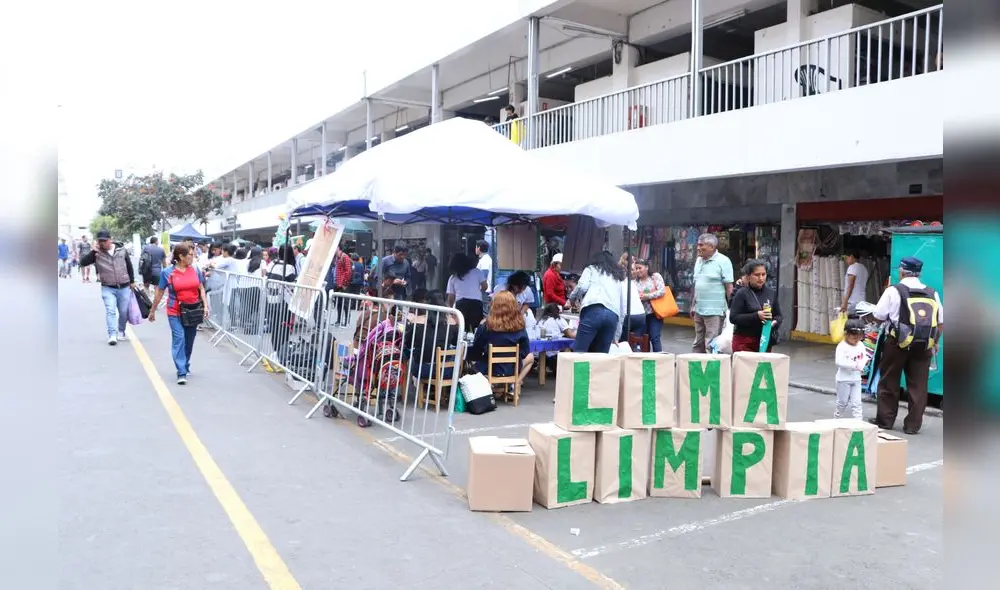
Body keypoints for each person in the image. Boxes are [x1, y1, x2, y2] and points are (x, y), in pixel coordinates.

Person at [870, 256, 943, 435]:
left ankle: (885, 421)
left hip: (896, 343)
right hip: (924, 345)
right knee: (918, 385)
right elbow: (941, 322)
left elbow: (879, 315)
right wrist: (935, 342)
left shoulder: (894, 290)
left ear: (902, 271)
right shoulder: (932, 292)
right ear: (919, 272)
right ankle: (913, 425)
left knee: (889, 380)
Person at [148, 244, 210, 384]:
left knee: (189, 340)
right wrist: (153, 310)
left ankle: (185, 364)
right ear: (181, 256)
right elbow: (160, 292)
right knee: (179, 338)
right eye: (190, 255)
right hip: (174, 311)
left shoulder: (195, 270)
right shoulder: (168, 273)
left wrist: (205, 306)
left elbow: (201, 289)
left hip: (192, 311)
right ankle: (181, 371)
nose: (192, 257)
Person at [78, 230, 136, 345]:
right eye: (100, 241)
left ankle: (121, 330)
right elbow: (82, 262)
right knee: (110, 310)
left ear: (110, 239)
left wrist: (132, 281)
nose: (103, 243)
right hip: (108, 287)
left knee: (123, 312)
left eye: (105, 240)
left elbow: (129, 266)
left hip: (124, 286)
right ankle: (112, 335)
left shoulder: (121, 250)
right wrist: (93, 252)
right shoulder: (96, 253)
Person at [468, 290, 535, 387]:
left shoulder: (486, 326)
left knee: (472, 361)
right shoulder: (520, 327)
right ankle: (515, 385)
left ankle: (492, 385)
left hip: (490, 368)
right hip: (512, 369)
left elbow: (477, 349)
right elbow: (525, 351)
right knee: (531, 357)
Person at [568, 250, 626, 354]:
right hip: (612, 316)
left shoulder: (591, 269)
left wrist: (572, 299)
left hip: (593, 310)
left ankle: (580, 371)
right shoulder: (617, 277)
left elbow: (582, 286)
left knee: (579, 352)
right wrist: (617, 335)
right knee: (602, 355)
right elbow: (622, 309)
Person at [690, 233, 734, 353]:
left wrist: (732, 309)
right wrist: (693, 305)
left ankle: (711, 370)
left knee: (711, 344)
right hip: (699, 310)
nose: (698, 248)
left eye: (701, 245)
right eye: (697, 245)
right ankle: (695, 368)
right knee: (698, 343)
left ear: (712, 247)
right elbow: (697, 284)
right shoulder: (699, 260)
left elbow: (729, 287)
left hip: (715, 311)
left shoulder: (724, 261)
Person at [728, 259, 783, 353]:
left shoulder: (771, 293)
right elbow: (733, 318)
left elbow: (778, 315)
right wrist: (757, 316)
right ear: (748, 276)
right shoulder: (742, 293)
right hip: (744, 342)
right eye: (757, 275)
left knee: (762, 367)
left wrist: (775, 322)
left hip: (765, 341)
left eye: (763, 274)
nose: (761, 278)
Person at [407, 291, 459, 386]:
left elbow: (408, 343)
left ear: (426, 303)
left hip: (423, 369)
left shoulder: (417, 321)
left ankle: (416, 386)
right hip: (445, 370)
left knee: (409, 355)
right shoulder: (452, 322)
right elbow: (456, 342)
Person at [265, 245, 299, 355]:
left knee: (274, 326)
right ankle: (281, 353)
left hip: (270, 299)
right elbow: (292, 286)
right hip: (284, 301)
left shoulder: (271, 263)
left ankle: (275, 351)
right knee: (284, 328)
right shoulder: (289, 267)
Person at [834, 319, 868, 420]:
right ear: (846, 334)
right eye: (854, 336)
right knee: (842, 403)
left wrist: (863, 364)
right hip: (843, 379)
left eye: (859, 336)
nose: (856, 339)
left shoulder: (861, 345)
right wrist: (855, 365)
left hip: (856, 379)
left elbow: (864, 357)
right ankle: (836, 419)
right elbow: (839, 361)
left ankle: (859, 425)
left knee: (857, 403)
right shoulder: (842, 346)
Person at [633, 259, 668, 353]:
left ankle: (660, 359)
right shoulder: (634, 281)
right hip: (641, 314)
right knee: (643, 339)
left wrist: (647, 296)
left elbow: (662, 291)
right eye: (636, 268)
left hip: (655, 313)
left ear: (647, 267)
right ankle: (645, 359)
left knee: (654, 336)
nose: (637, 270)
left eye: (640, 268)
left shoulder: (655, 277)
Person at [446, 252, 487, 333]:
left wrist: (451, 309)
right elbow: (485, 286)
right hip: (476, 303)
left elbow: (451, 297)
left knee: (462, 329)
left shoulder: (453, 277)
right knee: (477, 328)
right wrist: (478, 291)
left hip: (461, 305)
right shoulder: (476, 272)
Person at [839, 250, 869, 317]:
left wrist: (845, 302)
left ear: (851, 257)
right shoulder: (864, 268)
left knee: (850, 324)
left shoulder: (852, 267)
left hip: (853, 302)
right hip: (862, 301)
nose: (846, 261)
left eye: (846, 258)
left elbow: (850, 286)